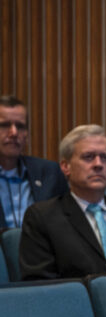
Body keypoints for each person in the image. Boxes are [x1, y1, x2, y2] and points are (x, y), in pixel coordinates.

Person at [19, 124, 106, 280]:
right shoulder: (43, 218)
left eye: (105, 157)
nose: (98, 164)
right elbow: (41, 283)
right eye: (88, 157)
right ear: (65, 166)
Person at [0, 95, 67, 229]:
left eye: (20, 126)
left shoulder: (50, 173)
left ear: (27, 134)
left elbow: (66, 222)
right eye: (5, 125)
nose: (14, 133)